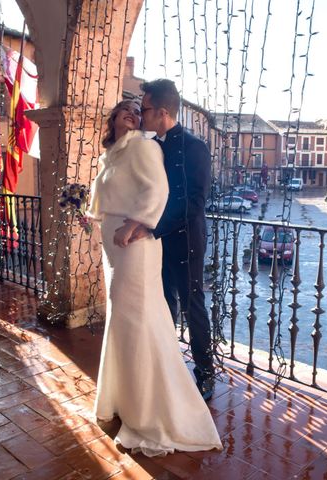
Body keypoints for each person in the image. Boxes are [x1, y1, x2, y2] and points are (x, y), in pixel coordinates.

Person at [88, 100, 222, 456]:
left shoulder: (146, 147)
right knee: (121, 318)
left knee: (139, 317)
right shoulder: (111, 155)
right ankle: (123, 395)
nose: (133, 113)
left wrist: (136, 225)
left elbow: (157, 192)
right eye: (126, 109)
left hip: (136, 241)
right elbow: (107, 197)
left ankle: (150, 406)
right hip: (113, 243)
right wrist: (95, 215)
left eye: (139, 109)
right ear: (113, 118)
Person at [122, 78, 216, 401]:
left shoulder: (196, 148)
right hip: (158, 242)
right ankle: (168, 365)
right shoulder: (155, 147)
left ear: (162, 112)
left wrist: (151, 227)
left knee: (193, 306)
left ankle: (206, 373)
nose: (142, 114)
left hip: (187, 241)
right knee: (164, 305)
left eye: (145, 108)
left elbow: (193, 203)